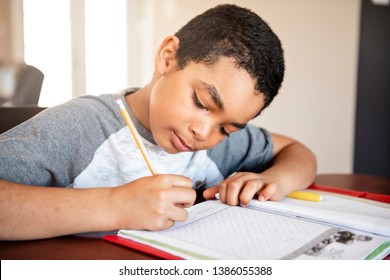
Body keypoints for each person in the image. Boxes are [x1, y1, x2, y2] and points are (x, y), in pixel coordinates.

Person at [0, 4, 316, 240]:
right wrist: (113, 206)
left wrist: (277, 180)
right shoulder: (79, 127)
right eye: (201, 103)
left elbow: (299, 152)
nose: (203, 132)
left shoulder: (219, 147)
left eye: (226, 128)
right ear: (167, 58)